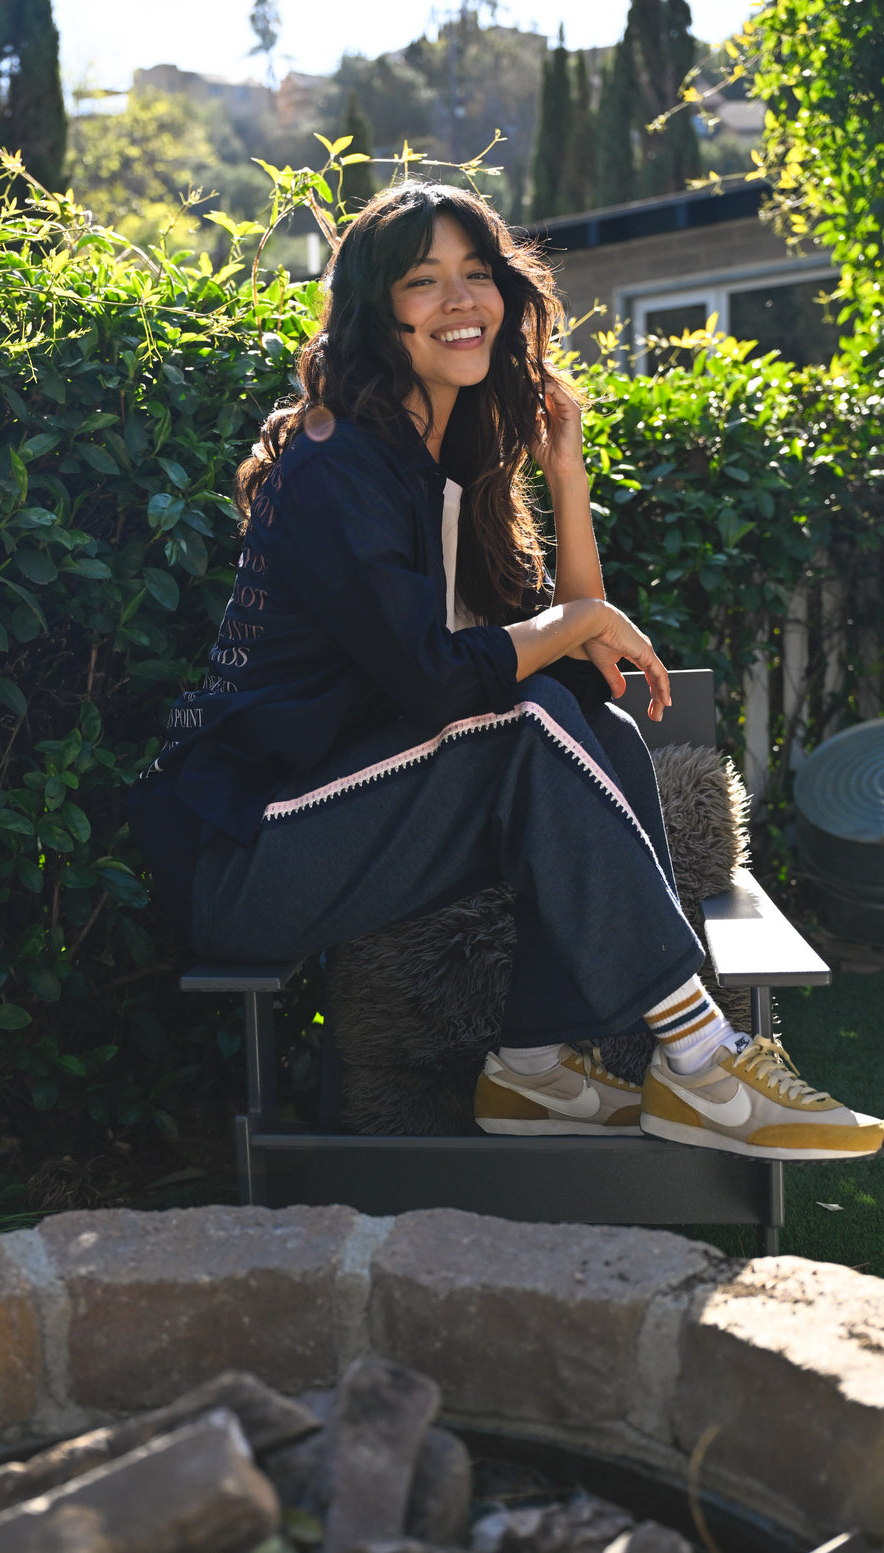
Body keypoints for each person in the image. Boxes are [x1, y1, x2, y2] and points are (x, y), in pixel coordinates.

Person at [127, 181, 881, 1162]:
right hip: (251, 854)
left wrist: (565, 472)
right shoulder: (334, 462)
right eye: (423, 280)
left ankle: (534, 1064)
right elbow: (444, 681)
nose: (459, 301)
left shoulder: (446, 457)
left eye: (476, 276)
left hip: (354, 814)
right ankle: (702, 1057)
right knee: (525, 718)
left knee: (582, 719)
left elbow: (562, 666)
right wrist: (580, 620)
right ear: (372, 309)